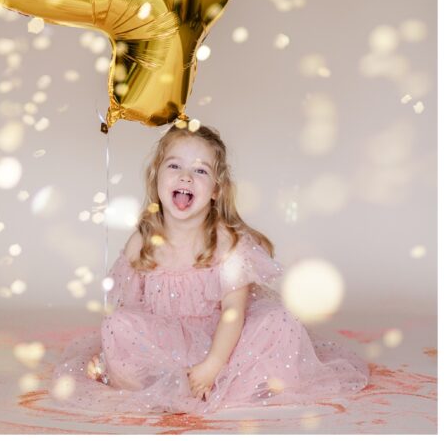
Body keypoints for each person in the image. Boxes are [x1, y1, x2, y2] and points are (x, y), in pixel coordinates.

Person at [54, 124, 368, 414]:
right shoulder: (143, 240)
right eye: (174, 165)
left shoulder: (225, 242)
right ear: (156, 177)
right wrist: (112, 354)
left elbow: (234, 312)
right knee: (116, 324)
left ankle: (212, 380)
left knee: (278, 321)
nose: (186, 177)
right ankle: (168, 385)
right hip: (167, 342)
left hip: (223, 341)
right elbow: (130, 307)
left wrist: (213, 364)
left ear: (216, 190)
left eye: (200, 170)